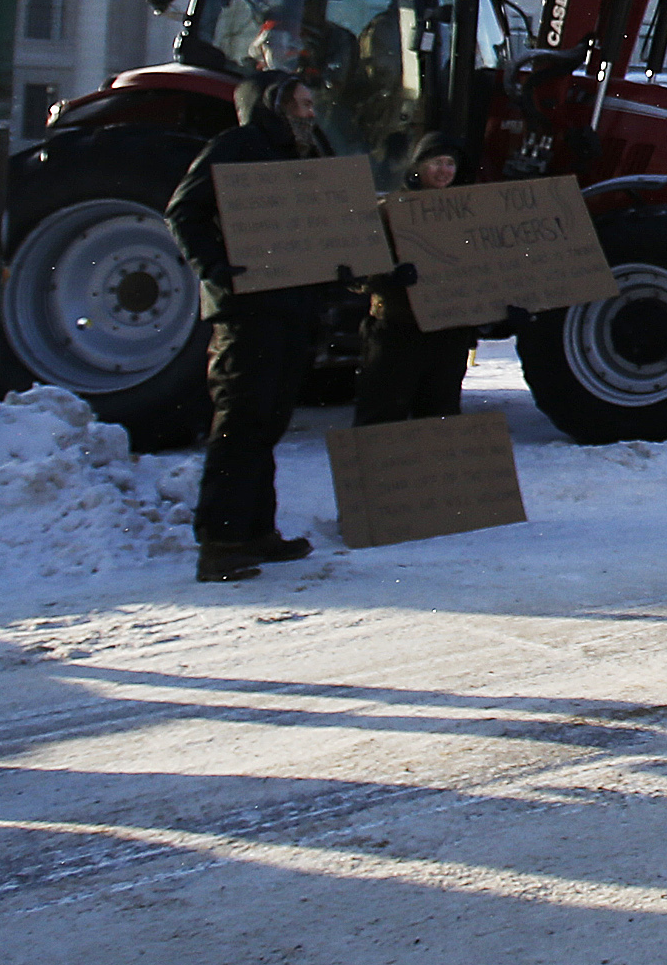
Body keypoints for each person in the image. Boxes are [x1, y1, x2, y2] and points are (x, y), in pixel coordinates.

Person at [168, 72, 341, 582]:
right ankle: (220, 542)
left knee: (268, 422)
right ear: (276, 104)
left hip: (291, 306)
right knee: (241, 422)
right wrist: (218, 272)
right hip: (247, 310)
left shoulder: (304, 155)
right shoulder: (238, 147)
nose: (311, 113)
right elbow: (184, 211)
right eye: (304, 104)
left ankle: (257, 532)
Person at [352, 133, 472, 425]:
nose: (444, 170)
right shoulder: (390, 211)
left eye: (449, 164)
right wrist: (388, 277)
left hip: (447, 335)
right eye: (436, 162)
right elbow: (357, 270)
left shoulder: (469, 215)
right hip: (398, 331)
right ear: (417, 167)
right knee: (382, 418)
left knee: (439, 419)